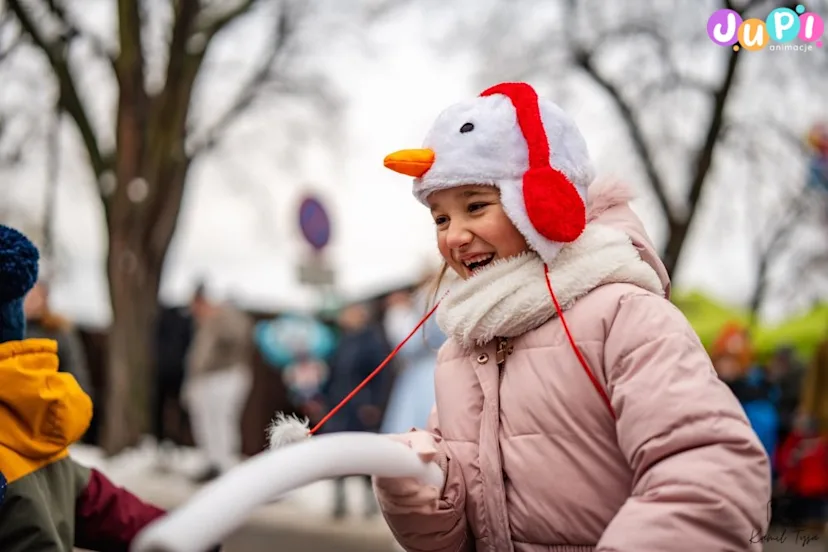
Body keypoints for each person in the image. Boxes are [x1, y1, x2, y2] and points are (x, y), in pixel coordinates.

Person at [371, 82, 771, 551]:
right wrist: (424, 488)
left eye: (476, 206)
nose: (454, 236)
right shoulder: (460, 351)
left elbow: (711, 472)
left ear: (542, 205)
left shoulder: (623, 316)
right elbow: (460, 533)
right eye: (440, 219)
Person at [0, 224, 174, 551]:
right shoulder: (41, 454)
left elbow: (73, 370)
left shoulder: (59, 332)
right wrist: (183, 529)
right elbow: (100, 503)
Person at [182, 287, 254, 483]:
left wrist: (219, 316)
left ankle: (225, 466)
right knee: (206, 423)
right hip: (206, 378)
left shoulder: (227, 318)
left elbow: (237, 334)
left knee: (222, 422)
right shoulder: (204, 324)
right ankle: (212, 463)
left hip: (225, 375)